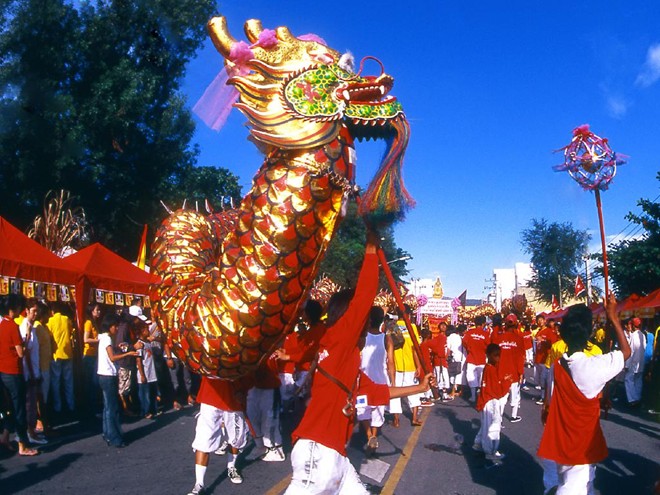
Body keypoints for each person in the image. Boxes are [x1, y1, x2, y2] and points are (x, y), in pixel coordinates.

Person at [283, 233, 435, 494]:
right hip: (317, 454)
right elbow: (365, 294)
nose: (365, 329)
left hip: (337, 458)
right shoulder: (339, 340)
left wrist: (420, 388)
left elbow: (378, 392)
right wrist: (370, 250)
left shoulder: (347, 364)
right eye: (362, 322)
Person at [538, 295, 631, 494]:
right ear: (588, 333)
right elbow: (625, 352)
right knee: (573, 487)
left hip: (561, 440)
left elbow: (548, 402)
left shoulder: (556, 366)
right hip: (581, 444)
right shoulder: (593, 366)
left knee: (579, 483)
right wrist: (613, 317)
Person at [187, 375, 253, 494]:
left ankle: (231, 467)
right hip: (210, 395)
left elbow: (249, 368)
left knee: (236, 438)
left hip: (233, 397)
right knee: (204, 438)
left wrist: (244, 390)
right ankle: (199, 484)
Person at [0, 294, 38, 455]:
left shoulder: (2, 325)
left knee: (8, 407)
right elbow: (21, 353)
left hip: (3, 371)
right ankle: (23, 444)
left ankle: (5, 437)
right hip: (14, 371)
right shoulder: (12, 326)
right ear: (12, 309)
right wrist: (27, 336)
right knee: (19, 408)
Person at [97, 313, 139, 448]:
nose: (116, 329)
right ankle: (115, 437)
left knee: (107, 407)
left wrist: (119, 349)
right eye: (115, 326)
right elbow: (112, 358)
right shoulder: (107, 339)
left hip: (103, 375)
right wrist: (128, 353)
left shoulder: (103, 338)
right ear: (110, 327)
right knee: (112, 407)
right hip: (108, 375)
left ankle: (107, 433)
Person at [357, 306, 388, 456]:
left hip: (363, 382)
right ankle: (374, 435)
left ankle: (369, 435)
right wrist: (393, 384)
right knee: (377, 412)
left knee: (362, 411)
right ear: (382, 320)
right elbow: (392, 364)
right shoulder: (386, 338)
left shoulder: (362, 337)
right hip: (381, 381)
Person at [473, 343, 512, 460]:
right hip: (490, 401)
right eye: (495, 356)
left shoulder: (488, 367)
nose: (498, 358)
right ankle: (490, 451)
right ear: (489, 355)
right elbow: (497, 391)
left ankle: (478, 443)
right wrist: (507, 382)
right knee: (493, 426)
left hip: (486, 400)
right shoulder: (490, 369)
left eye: (499, 355)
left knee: (486, 424)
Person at [387, 306, 424, 427]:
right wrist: (418, 366)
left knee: (395, 391)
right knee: (414, 391)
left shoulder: (391, 327)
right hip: (410, 366)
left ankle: (396, 420)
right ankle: (414, 418)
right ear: (408, 314)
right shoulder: (412, 327)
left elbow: (388, 348)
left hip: (395, 366)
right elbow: (415, 350)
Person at [246, 352, 284, 462]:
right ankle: (260, 446)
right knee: (251, 418)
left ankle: (276, 449)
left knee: (269, 420)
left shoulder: (271, 346)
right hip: (253, 386)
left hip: (269, 387)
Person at [18, 298, 46, 445]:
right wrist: (31, 372)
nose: (36, 313)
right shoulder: (25, 327)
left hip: (34, 369)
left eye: (37, 311)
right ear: (27, 311)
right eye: (33, 311)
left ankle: (33, 431)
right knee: (29, 404)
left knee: (33, 402)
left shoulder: (32, 326)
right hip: (29, 372)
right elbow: (25, 352)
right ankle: (30, 433)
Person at [490, 313, 525, 422]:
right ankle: (513, 416)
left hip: (500, 371)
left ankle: (498, 419)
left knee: (502, 396)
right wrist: (521, 373)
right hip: (513, 373)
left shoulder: (498, 339)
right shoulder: (519, 340)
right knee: (515, 396)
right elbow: (521, 358)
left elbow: (493, 355)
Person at [48, 301, 75, 418]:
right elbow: (71, 332)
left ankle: (57, 407)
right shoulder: (67, 319)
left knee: (56, 382)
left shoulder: (50, 321)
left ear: (52, 311)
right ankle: (71, 405)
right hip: (68, 354)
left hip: (55, 355)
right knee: (68, 381)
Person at [33, 302, 54, 434]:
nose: (49, 316)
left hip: (46, 365)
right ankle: (40, 423)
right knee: (41, 397)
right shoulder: (37, 328)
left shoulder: (43, 327)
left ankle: (43, 422)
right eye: (47, 314)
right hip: (41, 367)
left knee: (44, 396)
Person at [420, 320, 451, 400]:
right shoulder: (438, 338)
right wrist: (437, 353)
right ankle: (441, 395)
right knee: (442, 378)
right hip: (439, 361)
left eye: (445, 325)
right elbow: (428, 345)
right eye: (442, 325)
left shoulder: (446, 338)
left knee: (443, 378)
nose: (443, 327)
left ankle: (438, 394)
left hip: (443, 361)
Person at [462, 315, 490, 403]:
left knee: (471, 378)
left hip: (471, 359)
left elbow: (464, 342)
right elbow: (489, 346)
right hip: (482, 359)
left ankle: (473, 396)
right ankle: (481, 397)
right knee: (481, 379)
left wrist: (469, 349)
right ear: (483, 323)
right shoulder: (486, 334)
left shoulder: (469, 332)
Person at [534, 317, 559, 405]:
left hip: (545, 360)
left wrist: (543, 340)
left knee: (545, 380)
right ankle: (542, 396)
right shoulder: (538, 331)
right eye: (538, 320)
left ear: (545, 321)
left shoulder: (549, 332)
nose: (539, 322)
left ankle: (544, 398)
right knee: (540, 380)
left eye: (541, 320)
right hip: (538, 359)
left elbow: (553, 344)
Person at [82, 303, 101, 415]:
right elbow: (86, 339)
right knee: (91, 382)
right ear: (92, 311)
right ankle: (91, 407)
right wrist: (99, 340)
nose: (99, 312)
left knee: (93, 381)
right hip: (89, 355)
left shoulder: (95, 323)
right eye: (97, 310)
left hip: (94, 354)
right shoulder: (88, 323)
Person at [136, 323, 158, 419]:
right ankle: (145, 411)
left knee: (152, 392)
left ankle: (153, 410)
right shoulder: (140, 345)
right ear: (141, 331)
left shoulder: (148, 343)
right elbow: (139, 361)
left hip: (151, 372)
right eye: (146, 329)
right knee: (145, 394)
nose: (148, 331)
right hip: (144, 373)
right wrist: (142, 375)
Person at [623, 317, 646, 407]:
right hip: (640, 362)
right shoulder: (642, 336)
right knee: (638, 380)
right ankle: (637, 397)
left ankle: (632, 399)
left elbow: (631, 351)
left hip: (633, 362)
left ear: (633, 325)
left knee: (628, 380)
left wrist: (627, 364)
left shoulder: (634, 336)